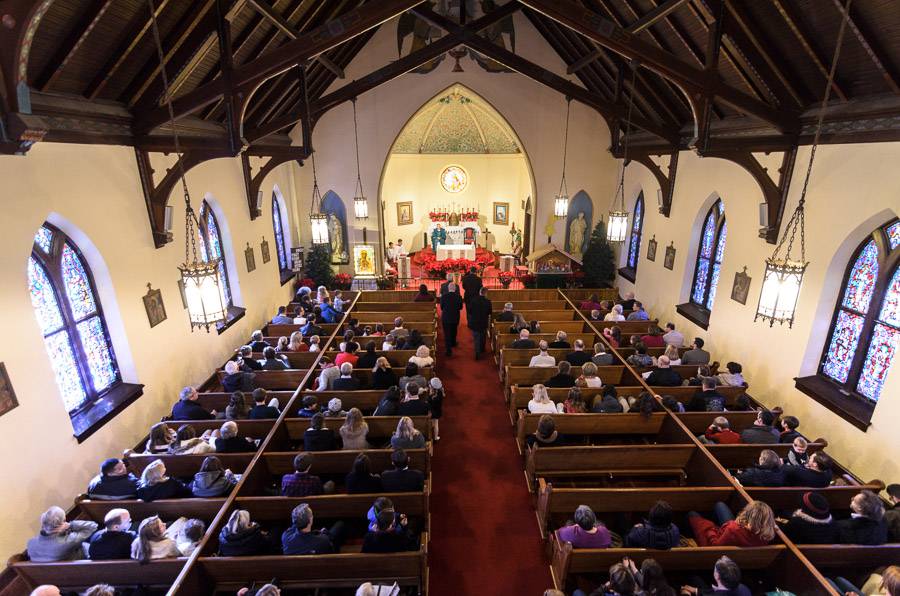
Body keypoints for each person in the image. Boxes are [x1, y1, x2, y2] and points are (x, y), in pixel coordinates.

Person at [688, 500, 776, 547]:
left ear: (748, 514)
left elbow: (715, 547)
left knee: (692, 514)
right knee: (720, 505)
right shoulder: (766, 536)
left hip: (717, 551)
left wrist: (711, 530)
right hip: (736, 549)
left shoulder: (733, 529)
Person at [27, 506, 98, 562]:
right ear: (63, 522)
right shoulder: (68, 541)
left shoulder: (31, 543)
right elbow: (93, 526)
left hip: (47, 574)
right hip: (76, 570)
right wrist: (70, 525)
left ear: (43, 524)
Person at [680, 556, 752, 596]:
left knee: (693, 578)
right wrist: (696, 591)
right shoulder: (743, 588)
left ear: (717, 576)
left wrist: (685, 594)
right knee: (695, 579)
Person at [467, 287, 492, 359]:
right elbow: (489, 312)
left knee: (476, 337)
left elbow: (469, 311)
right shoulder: (488, 302)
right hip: (483, 322)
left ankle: (477, 352)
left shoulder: (473, 300)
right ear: (486, 294)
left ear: (479, 292)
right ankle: (482, 349)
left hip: (475, 322)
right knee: (483, 336)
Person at [439, 282, 463, 356]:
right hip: (455, 316)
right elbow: (461, 307)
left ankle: (448, 350)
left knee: (447, 334)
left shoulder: (444, 296)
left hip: (446, 317)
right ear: (455, 289)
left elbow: (441, 307)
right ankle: (453, 342)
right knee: (454, 330)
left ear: (448, 288)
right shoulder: (459, 296)